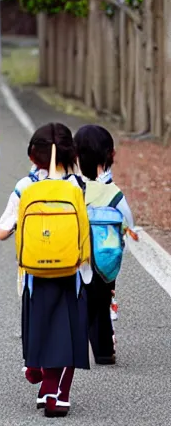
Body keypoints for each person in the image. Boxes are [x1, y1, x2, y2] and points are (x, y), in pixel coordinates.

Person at [0, 123, 90, 418]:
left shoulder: (25, 187)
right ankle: (57, 394)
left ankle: (36, 366)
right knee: (67, 331)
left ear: (32, 155)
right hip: (71, 273)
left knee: (39, 325)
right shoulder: (78, 186)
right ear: (71, 154)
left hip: (34, 275)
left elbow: (1, 230)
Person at [74, 125, 136, 365]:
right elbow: (128, 223)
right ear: (109, 155)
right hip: (105, 258)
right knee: (101, 303)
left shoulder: (73, 189)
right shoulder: (113, 193)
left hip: (75, 257)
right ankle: (103, 351)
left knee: (77, 300)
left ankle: (73, 345)